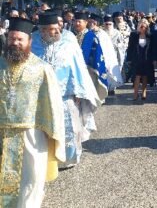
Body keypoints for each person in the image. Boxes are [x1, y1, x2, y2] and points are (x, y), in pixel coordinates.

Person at [0, 17, 66, 207]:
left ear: (29, 41)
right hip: (2, 132)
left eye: (20, 39)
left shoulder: (42, 68)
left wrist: (53, 134)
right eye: (12, 38)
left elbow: (53, 104)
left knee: (31, 180)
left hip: (32, 133)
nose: (15, 43)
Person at [31, 12, 100, 167]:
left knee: (69, 128)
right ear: (41, 30)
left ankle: (67, 160)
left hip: (65, 95)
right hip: (39, 96)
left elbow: (77, 67)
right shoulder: (32, 42)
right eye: (51, 29)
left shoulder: (68, 41)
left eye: (57, 28)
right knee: (41, 131)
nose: (56, 32)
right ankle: (45, 159)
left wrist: (78, 91)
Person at [73, 12, 109, 102]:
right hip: (73, 70)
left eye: (79, 21)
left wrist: (93, 67)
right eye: (75, 21)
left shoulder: (91, 36)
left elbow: (97, 53)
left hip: (88, 70)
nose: (77, 23)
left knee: (87, 97)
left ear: (85, 23)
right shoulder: (71, 35)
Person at [126, 19, 153, 101]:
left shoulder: (150, 36)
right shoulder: (134, 35)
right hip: (136, 59)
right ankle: (135, 93)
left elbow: (152, 48)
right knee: (137, 76)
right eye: (141, 26)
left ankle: (144, 92)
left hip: (146, 59)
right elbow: (130, 47)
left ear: (147, 27)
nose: (142, 28)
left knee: (145, 76)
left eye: (144, 26)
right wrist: (129, 58)